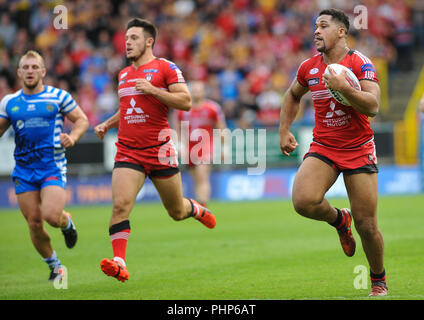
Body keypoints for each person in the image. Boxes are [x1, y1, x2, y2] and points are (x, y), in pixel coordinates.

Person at [94, 18, 216, 283]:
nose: (128, 43)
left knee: (176, 212)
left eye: (134, 38)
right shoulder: (124, 74)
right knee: (120, 205)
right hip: (128, 151)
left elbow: (185, 101)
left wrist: (153, 90)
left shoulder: (165, 68)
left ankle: (194, 209)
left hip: (160, 150)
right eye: (126, 38)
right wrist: (108, 122)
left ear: (149, 41)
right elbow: (128, 107)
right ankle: (119, 261)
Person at [279, 9, 387, 297]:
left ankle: (378, 281)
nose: (316, 31)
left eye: (323, 26)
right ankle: (340, 220)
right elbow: (292, 95)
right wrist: (284, 129)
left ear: (341, 32)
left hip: (358, 148)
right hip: (324, 147)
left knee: (367, 225)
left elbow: (373, 106)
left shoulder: (359, 62)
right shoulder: (308, 67)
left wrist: (344, 89)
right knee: (303, 201)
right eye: (315, 26)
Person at [0, 50, 89, 281]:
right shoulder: (10, 102)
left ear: (43, 71)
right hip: (24, 171)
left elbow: (82, 120)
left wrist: (74, 137)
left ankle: (65, 222)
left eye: (34, 67)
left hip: (52, 166)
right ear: (19, 72)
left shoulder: (58, 97)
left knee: (50, 215)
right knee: (34, 222)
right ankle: (55, 265)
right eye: (25, 67)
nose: (30, 71)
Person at [175, 80, 227, 207]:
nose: (197, 92)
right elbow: (177, 129)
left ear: (204, 91)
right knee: (196, 178)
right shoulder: (183, 109)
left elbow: (222, 129)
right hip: (189, 147)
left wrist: (224, 148)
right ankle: (200, 203)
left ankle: (203, 205)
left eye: (199, 90)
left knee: (202, 175)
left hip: (205, 147)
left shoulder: (212, 108)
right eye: (194, 90)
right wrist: (179, 146)